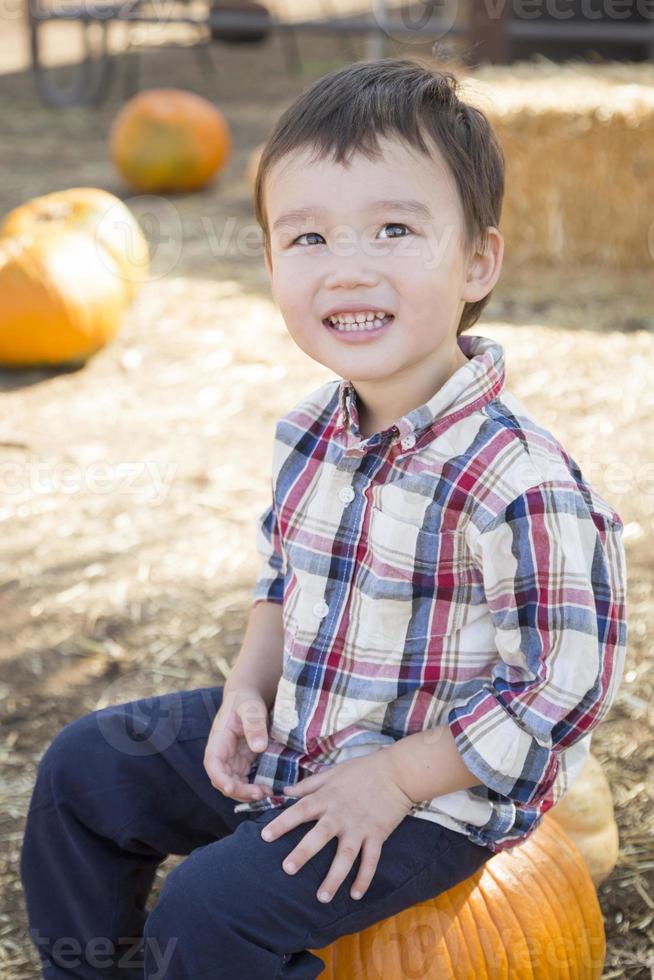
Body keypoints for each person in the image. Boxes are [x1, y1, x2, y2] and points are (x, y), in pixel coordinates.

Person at [20, 58, 628, 979]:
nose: (348, 268)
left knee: (206, 913)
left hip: (434, 801)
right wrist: (244, 691)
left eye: (393, 230)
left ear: (477, 261)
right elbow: (284, 577)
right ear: (268, 260)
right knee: (83, 770)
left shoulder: (518, 480)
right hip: (306, 729)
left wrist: (391, 778)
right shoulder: (309, 431)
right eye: (307, 239)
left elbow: (562, 687)